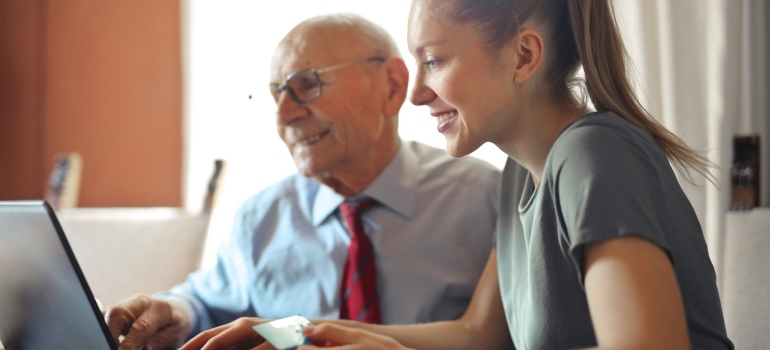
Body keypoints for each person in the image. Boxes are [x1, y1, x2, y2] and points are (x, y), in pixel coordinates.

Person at [179, 0, 735, 349]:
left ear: (522, 57)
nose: (417, 94)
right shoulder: (521, 175)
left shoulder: (594, 156)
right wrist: (291, 332)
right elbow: (475, 334)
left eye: (435, 61)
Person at [103, 13, 502, 350]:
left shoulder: (489, 200)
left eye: (306, 85)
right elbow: (205, 302)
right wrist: (175, 311)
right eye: (277, 94)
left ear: (392, 86)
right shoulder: (260, 218)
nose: (283, 115)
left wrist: (290, 332)